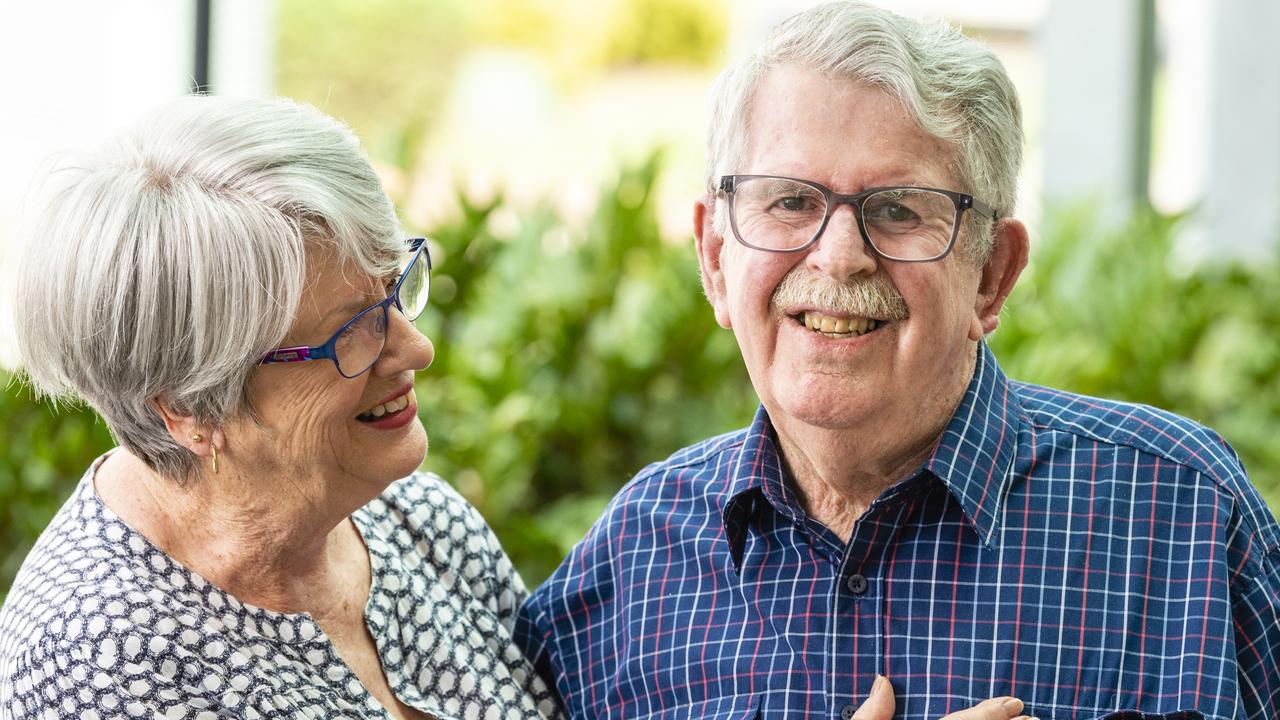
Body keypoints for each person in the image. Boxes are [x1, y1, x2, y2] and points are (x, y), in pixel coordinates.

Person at [515, 3, 1280, 719]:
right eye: (789, 202)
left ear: (992, 273)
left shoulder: (1183, 520)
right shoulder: (630, 568)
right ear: (716, 260)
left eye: (898, 209)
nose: (840, 257)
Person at [0, 96, 562, 720]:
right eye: (351, 329)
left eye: (394, 287)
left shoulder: (423, 524)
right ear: (189, 407)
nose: (415, 348)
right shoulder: (98, 666)